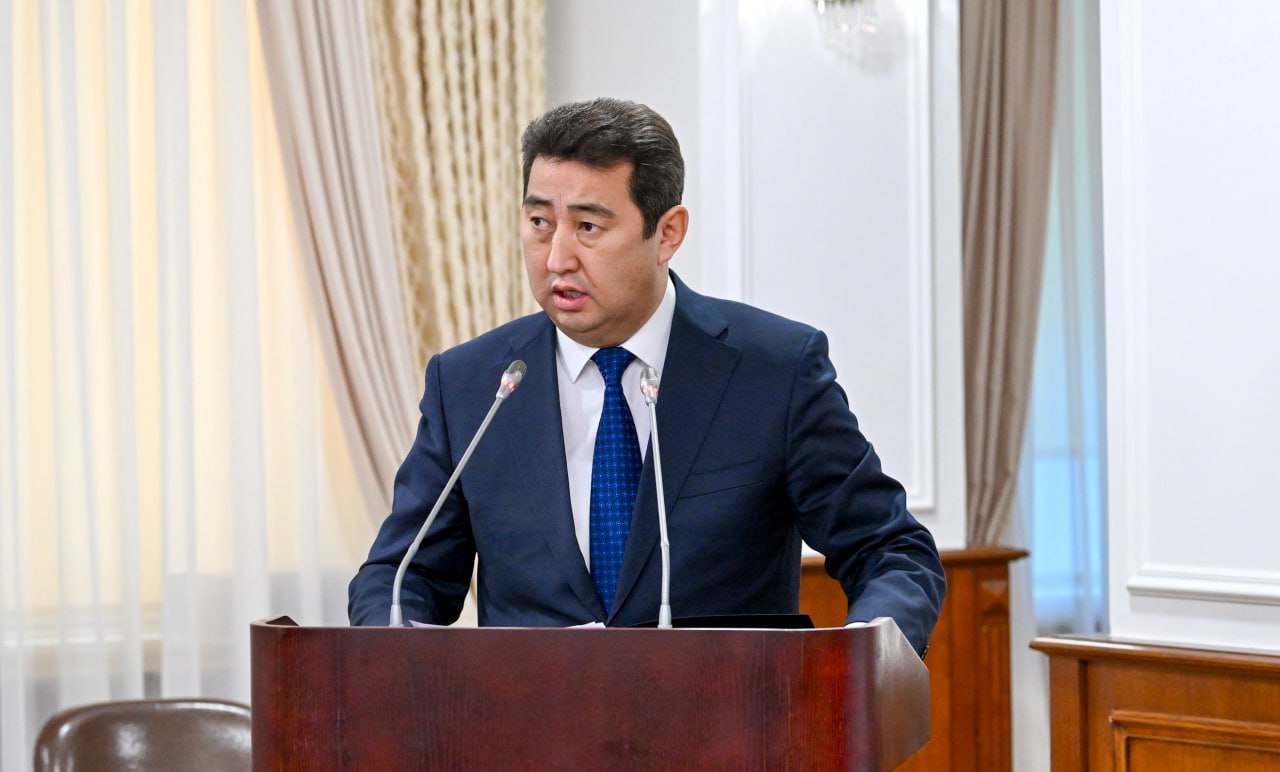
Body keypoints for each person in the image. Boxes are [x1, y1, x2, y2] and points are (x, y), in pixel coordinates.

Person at [348, 97, 945, 655]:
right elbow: (400, 576)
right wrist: (394, 653)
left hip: (731, 723)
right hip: (529, 725)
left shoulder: (773, 371)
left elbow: (890, 550)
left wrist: (862, 660)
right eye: (539, 222)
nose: (556, 258)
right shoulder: (473, 384)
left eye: (588, 227)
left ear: (667, 233)